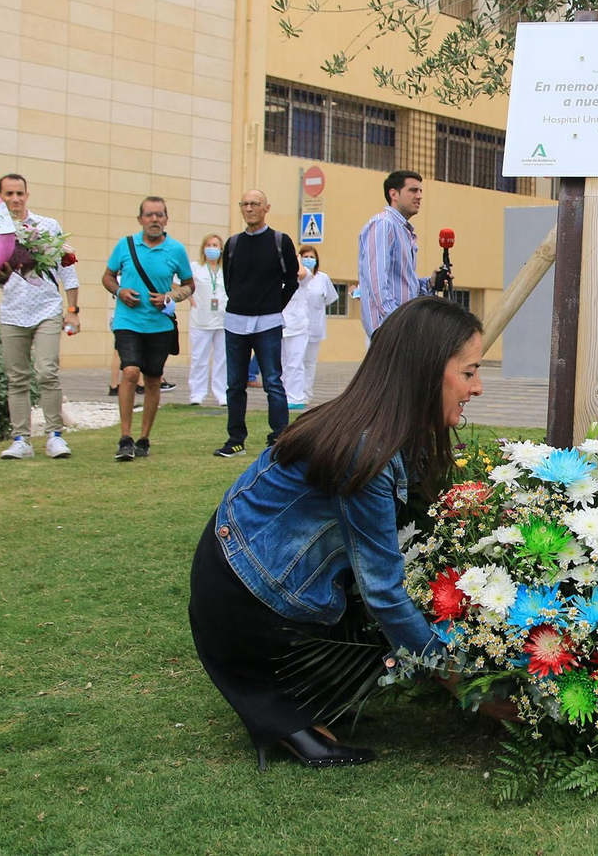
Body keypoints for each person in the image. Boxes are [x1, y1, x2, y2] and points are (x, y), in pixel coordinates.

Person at [188, 296, 483, 768]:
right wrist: (462, 680)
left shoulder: (380, 427)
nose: (478, 387)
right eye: (468, 372)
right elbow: (383, 592)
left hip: (242, 578)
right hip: (244, 603)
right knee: (389, 623)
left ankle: (304, 700)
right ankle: (285, 714)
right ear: (427, 371)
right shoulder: (367, 449)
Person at [0, 174, 79, 460]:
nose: (15, 199)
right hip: (12, 313)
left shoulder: (47, 226)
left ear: (27, 195)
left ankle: (55, 436)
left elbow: (67, 269)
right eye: (9, 194)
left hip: (47, 309)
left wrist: (73, 311)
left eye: (19, 193)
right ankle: (21, 439)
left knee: (47, 371)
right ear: (0, 197)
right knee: (17, 378)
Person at [102, 196, 194, 461]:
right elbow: (107, 277)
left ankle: (144, 438)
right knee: (130, 372)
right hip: (128, 322)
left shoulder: (176, 250)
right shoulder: (125, 245)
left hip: (159, 325)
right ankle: (125, 437)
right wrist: (119, 291)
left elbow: (189, 285)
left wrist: (170, 297)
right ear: (140, 219)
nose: (155, 220)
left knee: (153, 378)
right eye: (149, 215)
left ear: (166, 219)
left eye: (159, 215)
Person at [215, 189, 298, 458]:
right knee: (235, 384)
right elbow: (229, 281)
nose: (249, 208)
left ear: (266, 208)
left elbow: (291, 281)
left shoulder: (280, 241)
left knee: (273, 382)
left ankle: (279, 438)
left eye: (255, 204)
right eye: (245, 204)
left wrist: (273, 306)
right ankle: (235, 439)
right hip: (235, 321)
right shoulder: (233, 244)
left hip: (268, 322)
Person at [357, 170, 448, 336]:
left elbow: (404, 286)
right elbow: (376, 280)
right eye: (413, 190)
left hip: (402, 325)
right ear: (394, 194)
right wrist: (396, 320)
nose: (419, 196)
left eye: (420, 191)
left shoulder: (403, 230)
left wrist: (430, 284)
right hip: (389, 327)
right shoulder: (384, 224)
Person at [282, 244, 338, 410]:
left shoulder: (321, 278)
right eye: (304, 256)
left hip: (313, 325)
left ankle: (305, 393)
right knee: (293, 361)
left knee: (308, 362)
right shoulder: (292, 276)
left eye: (311, 257)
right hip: (293, 325)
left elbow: (330, 299)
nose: (308, 260)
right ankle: (293, 393)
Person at [187, 233, 227, 406]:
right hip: (201, 319)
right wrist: (190, 299)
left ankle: (222, 393)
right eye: (208, 245)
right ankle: (197, 394)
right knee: (199, 358)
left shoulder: (226, 269)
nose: (212, 248)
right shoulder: (195, 268)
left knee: (222, 359)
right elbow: (176, 282)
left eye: (215, 245)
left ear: (221, 249)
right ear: (203, 248)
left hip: (223, 319)